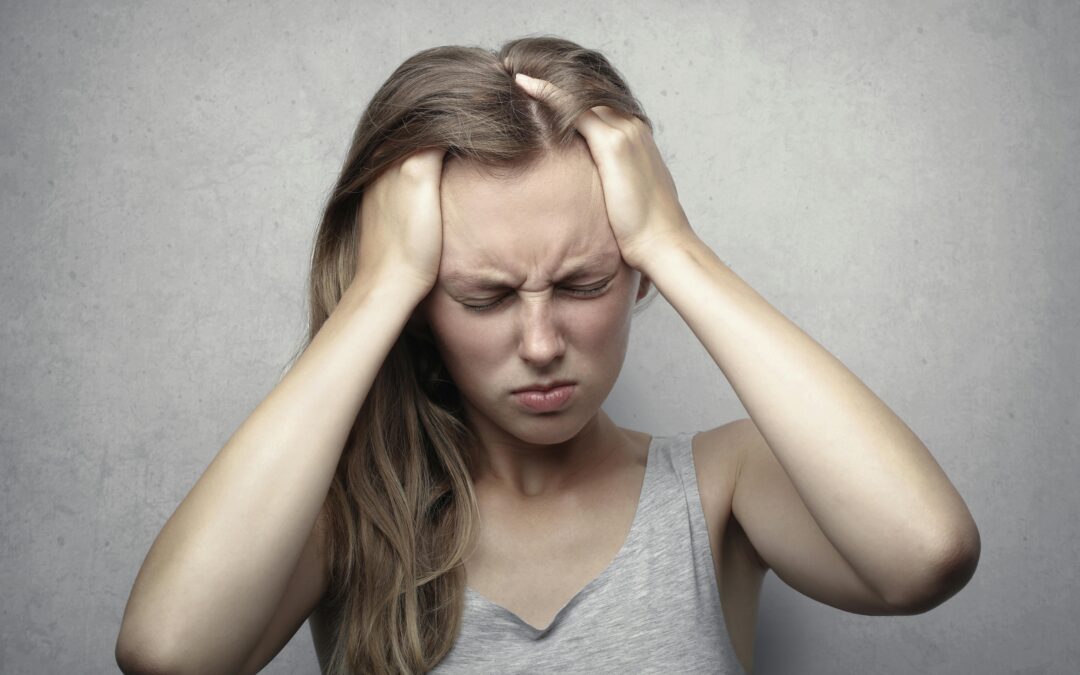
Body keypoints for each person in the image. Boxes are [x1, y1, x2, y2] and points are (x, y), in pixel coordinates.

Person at [114, 36, 981, 675]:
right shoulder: (351, 521)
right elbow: (167, 652)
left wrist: (676, 247)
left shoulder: (722, 489)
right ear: (422, 308)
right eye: (484, 296)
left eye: (584, 282)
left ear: (634, 273)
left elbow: (926, 551)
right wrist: (378, 288)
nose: (539, 344)